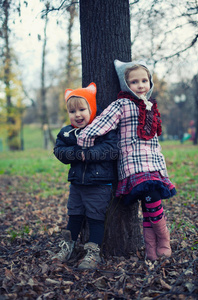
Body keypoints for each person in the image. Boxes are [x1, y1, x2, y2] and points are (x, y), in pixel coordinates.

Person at [77, 60, 177, 261]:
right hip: (134, 165)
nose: (140, 85)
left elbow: (155, 141)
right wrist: (83, 137)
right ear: (126, 84)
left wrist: (163, 169)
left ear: (150, 82)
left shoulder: (150, 106)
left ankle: (151, 250)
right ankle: (164, 240)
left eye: (144, 80)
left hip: (154, 164)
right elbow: (103, 123)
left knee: (148, 207)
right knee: (151, 200)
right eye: (134, 82)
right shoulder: (121, 104)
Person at [53, 82, 118, 269]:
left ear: (92, 108)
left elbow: (112, 149)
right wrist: (76, 153)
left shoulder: (103, 129)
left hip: (99, 184)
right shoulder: (67, 132)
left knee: (95, 218)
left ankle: (93, 253)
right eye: (72, 112)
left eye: (82, 109)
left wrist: (87, 153)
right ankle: (68, 247)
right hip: (77, 184)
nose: (77, 115)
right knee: (74, 215)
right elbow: (59, 151)